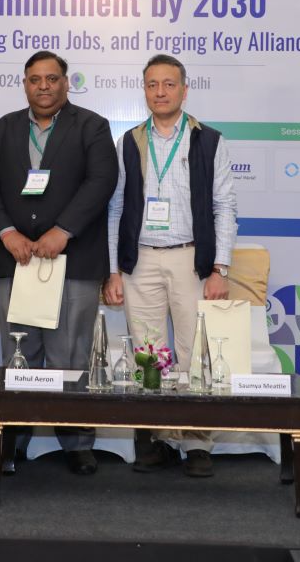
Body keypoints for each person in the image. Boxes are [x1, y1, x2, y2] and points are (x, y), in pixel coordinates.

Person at [0, 50, 119, 476]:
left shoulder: (92, 126)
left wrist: (64, 230)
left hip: (73, 260)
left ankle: (77, 442)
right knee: (18, 354)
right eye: (35, 79)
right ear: (25, 84)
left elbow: (101, 182)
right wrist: (7, 233)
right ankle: (13, 441)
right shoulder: (3, 128)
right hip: (16, 259)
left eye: (52, 78)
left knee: (70, 354)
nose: (44, 86)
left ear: (66, 83)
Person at [104, 53, 238, 478]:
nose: (160, 92)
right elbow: (115, 209)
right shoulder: (129, 142)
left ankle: (197, 442)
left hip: (191, 259)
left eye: (168, 84)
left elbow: (224, 206)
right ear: (144, 91)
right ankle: (159, 438)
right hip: (140, 260)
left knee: (194, 352)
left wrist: (220, 268)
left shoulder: (209, 140)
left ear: (184, 89)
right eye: (152, 84)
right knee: (149, 353)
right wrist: (113, 270)